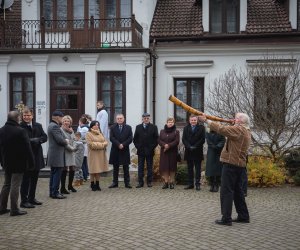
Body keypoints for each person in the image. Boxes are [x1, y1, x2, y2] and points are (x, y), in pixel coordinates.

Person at [198, 113, 251, 226]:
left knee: (226, 191)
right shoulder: (245, 130)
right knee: (237, 191)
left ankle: (226, 218)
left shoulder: (239, 130)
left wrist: (207, 121)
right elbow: (229, 131)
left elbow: (221, 129)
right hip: (238, 165)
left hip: (231, 164)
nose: (233, 119)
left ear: (240, 121)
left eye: (236, 118)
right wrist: (234, 124)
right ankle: (243, 216)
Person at [0, 111, 35, 216]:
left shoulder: (1, 130)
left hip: (6, 162)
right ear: (17, 118)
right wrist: (32, 162)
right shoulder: (21, 131)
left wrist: (2, 161)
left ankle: (2, 207)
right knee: (15, 185)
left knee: (6, 184)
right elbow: (28, 148)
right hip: (19, 163)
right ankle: (14, 209)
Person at [20, 107, 48, 208]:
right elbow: (20, 141)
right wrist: (31, 141)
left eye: (28, 115)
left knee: (35, 179)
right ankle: (24, 200)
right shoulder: (20, 127)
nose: (26, 117)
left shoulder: (38, 126)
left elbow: (45, 137)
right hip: (26, 157)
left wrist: (38, 140)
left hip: (36, 156)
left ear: (32, 115)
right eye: (24, 115)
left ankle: (32, 198)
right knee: (25, 180)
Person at [133, 112, 158, 188]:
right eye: (144, 118)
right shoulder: (138, 127)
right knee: (140, 167)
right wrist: (138, 147)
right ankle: (140, 182)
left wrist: (152, 147)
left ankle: (149, 182)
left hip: (150, 150)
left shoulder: (154, 127)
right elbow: (135, 139)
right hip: (140, 150)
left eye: (147, 118)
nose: (146, 119)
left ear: (149, 118)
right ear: (142, 119)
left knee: (150, 167)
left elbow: (156, 139)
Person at [47, 110, 68, 199]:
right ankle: (55, 192)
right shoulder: (55, 126)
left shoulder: (50, 125)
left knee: (53, 173)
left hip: (53, 153)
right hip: (57, 154)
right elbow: (60, 140)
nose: (62, 120)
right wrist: (66, 141)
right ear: (57, 117)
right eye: (62, 118)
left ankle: (52, 192)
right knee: (57, 174)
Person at [108, 114, 133, 189]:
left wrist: (123, 144)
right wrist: (118, 144)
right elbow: (111, 138)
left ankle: (127, 183)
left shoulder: (128, 127)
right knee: (115, 167)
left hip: (124, 149)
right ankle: (115, 182)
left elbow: (130, 138)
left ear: (123, 119)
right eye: (118, 118)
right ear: (116, 119)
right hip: (115, 149)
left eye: (121, 118)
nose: (119, 119)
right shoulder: (112, 127)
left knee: (126, 167)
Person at [182, 115, 205, 191]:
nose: (193, 121)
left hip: (197, 151)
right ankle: (190, 184)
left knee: (198, 169)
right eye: (192, 120)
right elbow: (184, 139)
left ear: (197, 120)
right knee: (189, 168)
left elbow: (202, 139)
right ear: (189, 120)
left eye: (194, 120)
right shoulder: (186, 128)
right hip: (189, 151)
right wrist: (189, 146)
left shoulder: (201, 128)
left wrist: (195, 146)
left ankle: (197, 184)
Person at [86, 120, 109, 191]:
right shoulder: (88, 134)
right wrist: (102, 145)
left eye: (98, 125)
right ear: (92, 126)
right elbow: (91, 145)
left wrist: (99, 144)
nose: (97, 126)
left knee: (98, 170)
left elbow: (106, 142)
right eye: (95, 125)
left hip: (100, 155)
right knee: (93, 170)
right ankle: (92, 184)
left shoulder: (100, 133)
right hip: (93, 155)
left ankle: (97, 184)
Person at [158, 117, 180, 189]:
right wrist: (164, 145)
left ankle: (172, 182)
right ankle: (166, 182)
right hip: (164, 152)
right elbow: (159, 140)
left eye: (172, 122)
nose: (170, 123)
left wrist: (169, 145)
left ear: (173, 123)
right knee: (165, 168)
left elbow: (177, 141)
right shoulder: (162, 131)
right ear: (166, 123)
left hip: (172, 152)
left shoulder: (176, 131)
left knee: (172, 168)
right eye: (169, 122)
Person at [60, 115, 77, 194]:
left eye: (68, 121)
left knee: (72, 168)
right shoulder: (60, 130)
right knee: (64, 169)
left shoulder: (71, 130)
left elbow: (74, 139)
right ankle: (62, 187)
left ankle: (70, 186)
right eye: (65, 121)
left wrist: (74, 146)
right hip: (65, 151)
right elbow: (64, 142)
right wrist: (72, 148)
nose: (66, 122)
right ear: (62, 122)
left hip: (72, 151)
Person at [77, 116, 90, 181]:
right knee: (84, 162)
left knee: (82, 162)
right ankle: (86, 175)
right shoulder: (86, 128)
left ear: (81, 122)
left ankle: (84, 176)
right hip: (84, 146)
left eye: (79, 122)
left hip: (83, 146)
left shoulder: (83, 129)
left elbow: (79, 137)